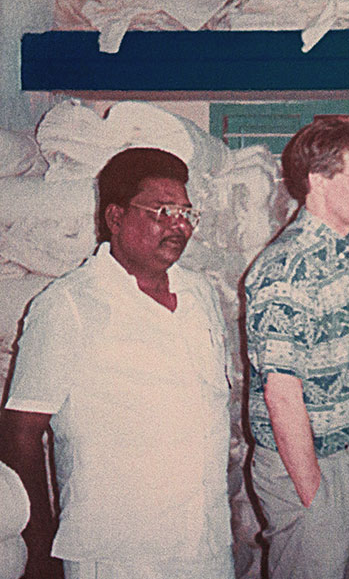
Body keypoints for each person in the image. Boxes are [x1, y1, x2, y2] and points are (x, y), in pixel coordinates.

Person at [0, 147, 234, 579]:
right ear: (115, 217)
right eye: (162, 212)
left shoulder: (200, 294)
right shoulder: (69, 305)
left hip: (205, 543)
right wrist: (39, 547)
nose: (179, 225)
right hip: (118, 553)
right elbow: (20, 431)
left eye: (186, 213)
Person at [244, 118, 349, 579]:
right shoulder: (286, 267)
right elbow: (281, 394)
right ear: (317, 181)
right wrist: (312, 492)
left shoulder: (348, 249)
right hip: (312, 466)